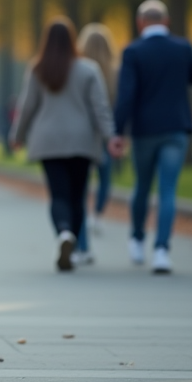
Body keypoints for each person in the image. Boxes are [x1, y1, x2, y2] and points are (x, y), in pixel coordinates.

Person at [109, 0, 192, 275]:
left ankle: (137, 239)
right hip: (175, 128)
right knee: (168, 190)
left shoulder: (133, 51)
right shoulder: (182, 48)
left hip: (144, 130)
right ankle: (162, 250)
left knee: (142, 186)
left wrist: (117, 131)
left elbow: (126, 96)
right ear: (166, 22)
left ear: (140, 23)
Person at [10, 18, 113, 273]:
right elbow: (100, 108)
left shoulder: (38, 69)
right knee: (78, 196)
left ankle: (64, 232)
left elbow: (27, 106)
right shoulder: (89, 69)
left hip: (49, 141)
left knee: (58, 194)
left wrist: (17, 135)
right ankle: (75, 246)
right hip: (82, 141)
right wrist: (111, 137)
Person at [74, 23, 118, 264]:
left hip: (81, 136)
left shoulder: (78, 69)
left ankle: (82, 245)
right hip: (106, 135)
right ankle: (98, 214)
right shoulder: (114, 72)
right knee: (105, 179)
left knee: (79, 190)